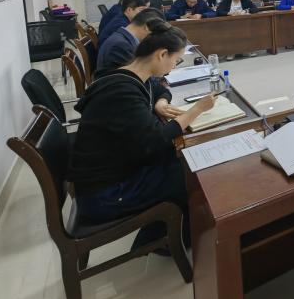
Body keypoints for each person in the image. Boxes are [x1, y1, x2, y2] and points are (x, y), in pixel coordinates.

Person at [68, 22, 217, 253]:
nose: (173, 68)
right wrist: (196, 110)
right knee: (191, 174)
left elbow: (158, 88)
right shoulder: (123, 92)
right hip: (106, 194)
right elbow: (157, 139)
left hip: (114, 171)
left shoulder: (128, 74)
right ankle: (161, 240)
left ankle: (166, 229)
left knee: (182, 159)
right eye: (176, 60)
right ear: (162, 54)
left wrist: (160, 102)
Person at [96, 7, 165, 72]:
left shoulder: (123, 38)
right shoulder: (121, 45)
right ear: (147, 27)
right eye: (155, 34)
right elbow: (137, 74)